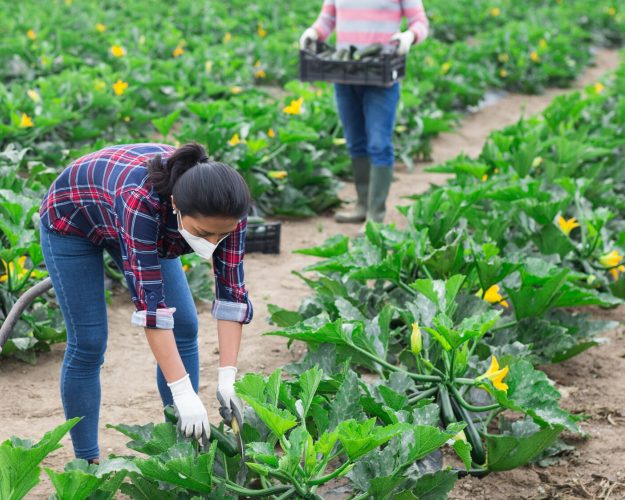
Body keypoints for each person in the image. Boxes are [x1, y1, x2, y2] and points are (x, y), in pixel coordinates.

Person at [37, 142, 253, 462]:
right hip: (74, 218)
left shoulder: (227, 211)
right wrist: (183, 393)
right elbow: (152, 308)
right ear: (177, 205)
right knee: (89, 342)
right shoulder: (141, 200)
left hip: (127, 211)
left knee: (185, 326)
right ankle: (86, 460)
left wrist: (227, 378)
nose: (212, 243)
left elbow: (232, 293)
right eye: (203, 233)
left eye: (219, 236)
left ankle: (182, 450)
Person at [299, 0, 430, 224]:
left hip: (382, 74)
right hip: (345, 74)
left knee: (379, 144)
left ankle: (375, 216)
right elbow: (328, 18)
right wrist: (314, 32)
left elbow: (420, 23)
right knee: (355, 142)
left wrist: (408, 36)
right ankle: (362, 205)